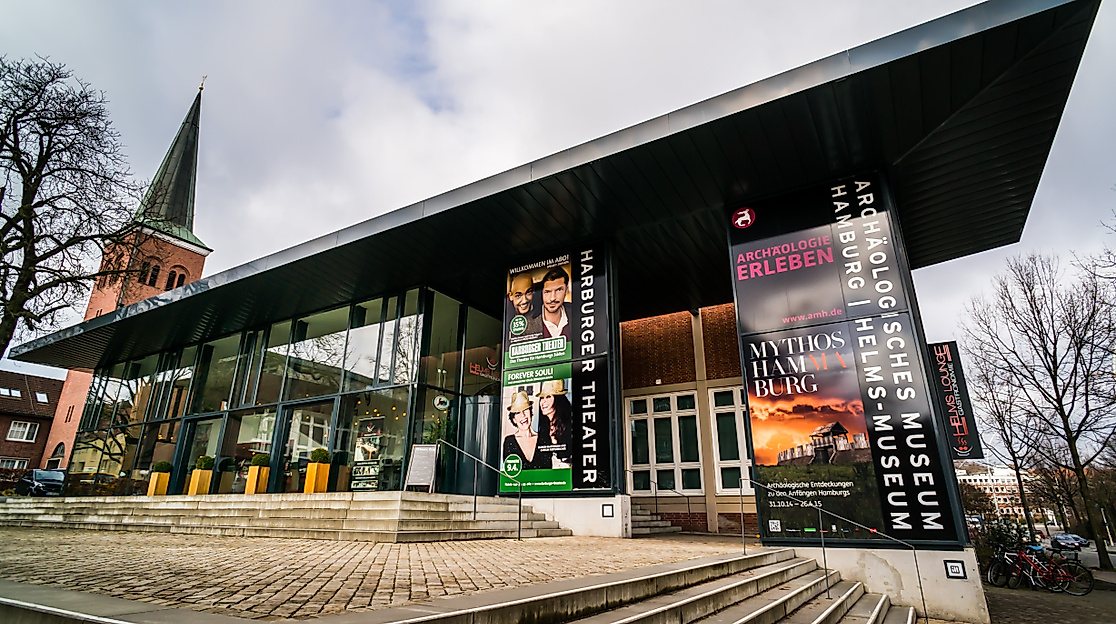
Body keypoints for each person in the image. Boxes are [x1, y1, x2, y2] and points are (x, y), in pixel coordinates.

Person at [502, 391, 552, 469]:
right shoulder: (509, 441)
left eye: (525, 410)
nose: (523, 415)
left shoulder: (544, 438)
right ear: (514, 419)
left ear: (530, 412)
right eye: (518, 413)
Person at [526, 266, 572, 339]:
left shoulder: (577, 313)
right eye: (547, 292)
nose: (552, 298)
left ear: (566, 290)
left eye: (559, 290)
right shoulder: (527, 323)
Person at [537, 379, 572, 468]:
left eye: (548, 397)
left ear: (558, 399)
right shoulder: (544, 427)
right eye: (542, 398)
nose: (543, 402)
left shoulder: (569, 424)